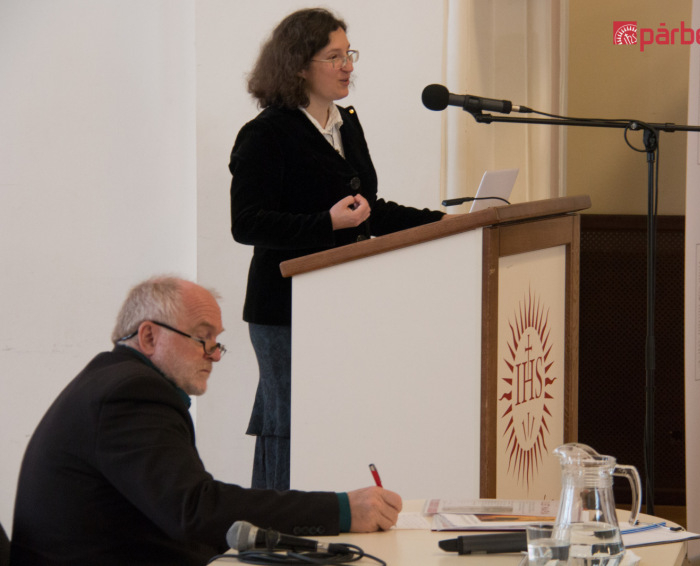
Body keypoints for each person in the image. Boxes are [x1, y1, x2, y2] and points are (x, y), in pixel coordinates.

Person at [10, 276, 402, 566]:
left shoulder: (115, 381)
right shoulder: (129, 393)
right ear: (149, 337)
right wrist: (341, 509)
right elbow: (194, 509)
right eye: (202, 338)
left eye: (217, 342)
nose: (214, 355)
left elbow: (181, 512)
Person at [230, 7, 445, 491]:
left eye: (349, 54)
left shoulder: (345, 123)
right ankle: (276, 522)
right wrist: (326, 223)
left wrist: (447, 222)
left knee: (331, 420)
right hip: (285, 307)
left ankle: (322, 517)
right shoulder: (266, 133)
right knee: (288, 423)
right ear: (298, 65)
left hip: (343, 299)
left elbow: (367, 210)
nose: (348, 66)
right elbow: (246, 224)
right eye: (334, 56)